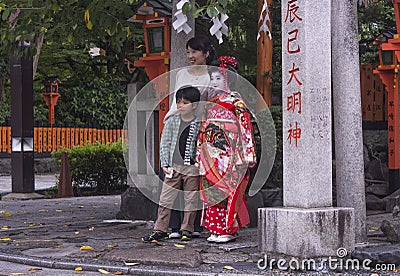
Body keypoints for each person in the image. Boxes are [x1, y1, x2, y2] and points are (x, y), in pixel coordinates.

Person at [196, 56, 256, 243]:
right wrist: (200, 151)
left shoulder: (237, 102)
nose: (214, 82)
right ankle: (215, 228)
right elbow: (203, 128)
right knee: (210, 189)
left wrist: (247, 153)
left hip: (228, 152)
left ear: (229, 79)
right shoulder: (211, 102)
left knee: (226, 188)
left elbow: (245, 128)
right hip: (210, 152)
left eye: (218, 79)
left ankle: (227, 229)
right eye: (212, 79)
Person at [163, 35, 217, 239]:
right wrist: (169, 124)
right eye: (188, 52)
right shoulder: (180, 74)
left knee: (195, 176)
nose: (190, 56)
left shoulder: (212, 76)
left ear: (206, 53)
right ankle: (174, 226)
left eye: (194, 52)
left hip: (198, 128)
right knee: (173, 174)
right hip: (176, 124)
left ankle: (194, 225)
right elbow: (173, 101)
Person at [142, 86, 201, 242]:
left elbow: (200, 144)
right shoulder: (172, 120)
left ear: (194, 105)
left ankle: (187, 228)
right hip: (174, 166)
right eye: (178, 102)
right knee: (166, 198)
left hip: (192, 167)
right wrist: (165, 163)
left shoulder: (199, 123)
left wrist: (199, 163)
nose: (180, 106)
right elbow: (165, 143)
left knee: (191, 199)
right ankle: (160, 229)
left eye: (185, 103)